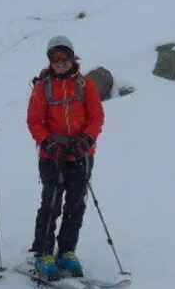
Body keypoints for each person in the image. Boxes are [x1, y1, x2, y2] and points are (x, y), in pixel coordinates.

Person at [27, 36, 104, 280]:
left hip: (81, 153)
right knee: (51, 203)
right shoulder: (43, 87)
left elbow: (96, 118)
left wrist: (87, 140)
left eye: (64, 56)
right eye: (54, 57)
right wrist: (48, 142)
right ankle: (43, 252)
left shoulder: (86, 85)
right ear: (49, 60)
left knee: (76, 203)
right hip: (52, 154)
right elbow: (34, 121)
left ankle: (67, 250)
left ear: (72, 57)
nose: (60, 62)